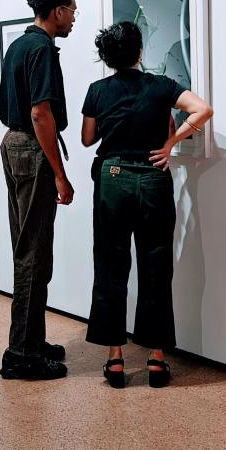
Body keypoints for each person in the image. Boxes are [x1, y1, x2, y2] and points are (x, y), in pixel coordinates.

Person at [80, 21, 213, 388]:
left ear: (108, 57)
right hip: (153, 179)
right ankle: (156, 360)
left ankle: (115, 359)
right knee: (156, 266)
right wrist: (171, 144)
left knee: (110, 264)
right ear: (139, 52)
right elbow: (202, 110)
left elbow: (88, 139)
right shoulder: (162, 86)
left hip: (113, 179)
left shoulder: (97, 90)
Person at [0, 0, 78, 380]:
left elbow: (5, 109)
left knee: (28, 247)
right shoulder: (42, 49)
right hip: (32, 148)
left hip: (13, 145)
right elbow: (40, 114)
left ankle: (31, 340)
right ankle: (22, 355)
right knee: (34, 252)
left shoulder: (19, 45)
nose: (74, 17)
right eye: (72, 11)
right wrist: (60, 174)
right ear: (58, 11)